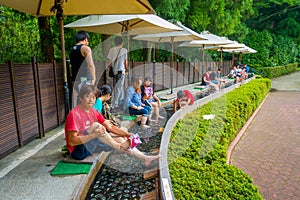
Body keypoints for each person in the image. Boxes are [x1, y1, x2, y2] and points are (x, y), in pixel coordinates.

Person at [65, 84, 159, 165]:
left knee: (121, 138)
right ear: (81, 98)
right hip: (78, 151)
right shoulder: (74, 114)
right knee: (97, 126)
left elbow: (110, 127)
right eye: (88, 96)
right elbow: (72, 141)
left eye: (93, 97)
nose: (91, 100)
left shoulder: (94, 112)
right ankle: (119, 147)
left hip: (90, 144)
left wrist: (126, 134)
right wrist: (94, 135)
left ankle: (144, 158)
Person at [69, 31, 96, 107]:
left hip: (76, 80)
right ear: (85, 39)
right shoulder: (85, 48)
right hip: (85, 79)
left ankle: (80, 117)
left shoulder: (72, 50)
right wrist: (93, 78)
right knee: (88, 101)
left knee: (82, 100)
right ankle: (85, 118)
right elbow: (90, 64)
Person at [107, 36, 128, 111]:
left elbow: (109, 62)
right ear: (122, 42)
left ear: (115, 42)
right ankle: (116, 104)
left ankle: (115, 101)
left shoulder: (111, 50)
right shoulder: (124, 50)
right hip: (121, 71)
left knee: (115, 86)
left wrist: (112, 67)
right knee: (119, 87)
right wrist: (127, 69)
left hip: (113, 71)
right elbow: (125, 62)